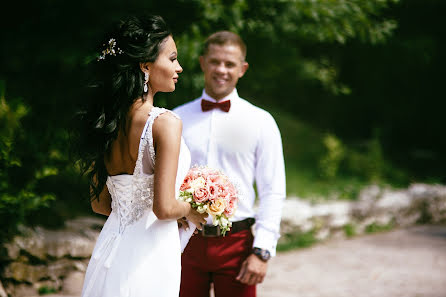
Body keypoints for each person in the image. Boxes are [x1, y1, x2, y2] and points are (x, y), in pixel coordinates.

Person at [73, 15, 207, 297]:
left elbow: (100, 204)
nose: (179, 68)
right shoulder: (164, 123)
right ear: (145, 65)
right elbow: (164, 208)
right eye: (172, 59)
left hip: (110, 246)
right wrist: (193, 210)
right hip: (150, 253)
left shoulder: (105, 122)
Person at [174, 31, 286, 297]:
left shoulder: (261, 121)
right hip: (184, 239)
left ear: (243, 69)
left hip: (237, 244)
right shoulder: (176, 118)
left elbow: (273, 190)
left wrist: (262, 250)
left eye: (230, 64)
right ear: (203, 63)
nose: (221, 70)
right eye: (215, 62)